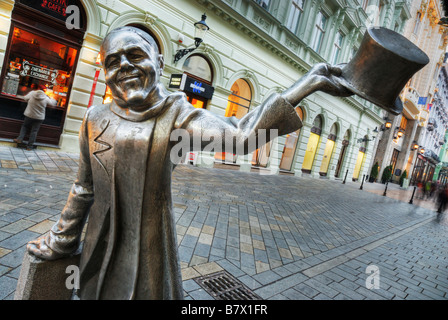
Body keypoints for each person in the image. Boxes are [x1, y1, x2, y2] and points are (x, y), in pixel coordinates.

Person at [26, 26, 352, 300]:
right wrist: (62, 239)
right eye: (113, 62)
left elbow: (241, 136)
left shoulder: (177, 113)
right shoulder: (93, 117)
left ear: (159, 61)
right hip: (99, 245)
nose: (124, 65)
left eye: (135, 55)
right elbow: (83, 187)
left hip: (148, 251)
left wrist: (304, 86)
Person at [14, 85, 57, 150]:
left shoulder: (32, 93)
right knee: (34, 131)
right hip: (39, 117)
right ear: (44, 91)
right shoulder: (45, 98)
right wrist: (52, 98)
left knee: (25, 126)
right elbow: (52, 103)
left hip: (29, 115)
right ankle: (29, 146)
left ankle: (20, 139)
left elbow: (25, 98)